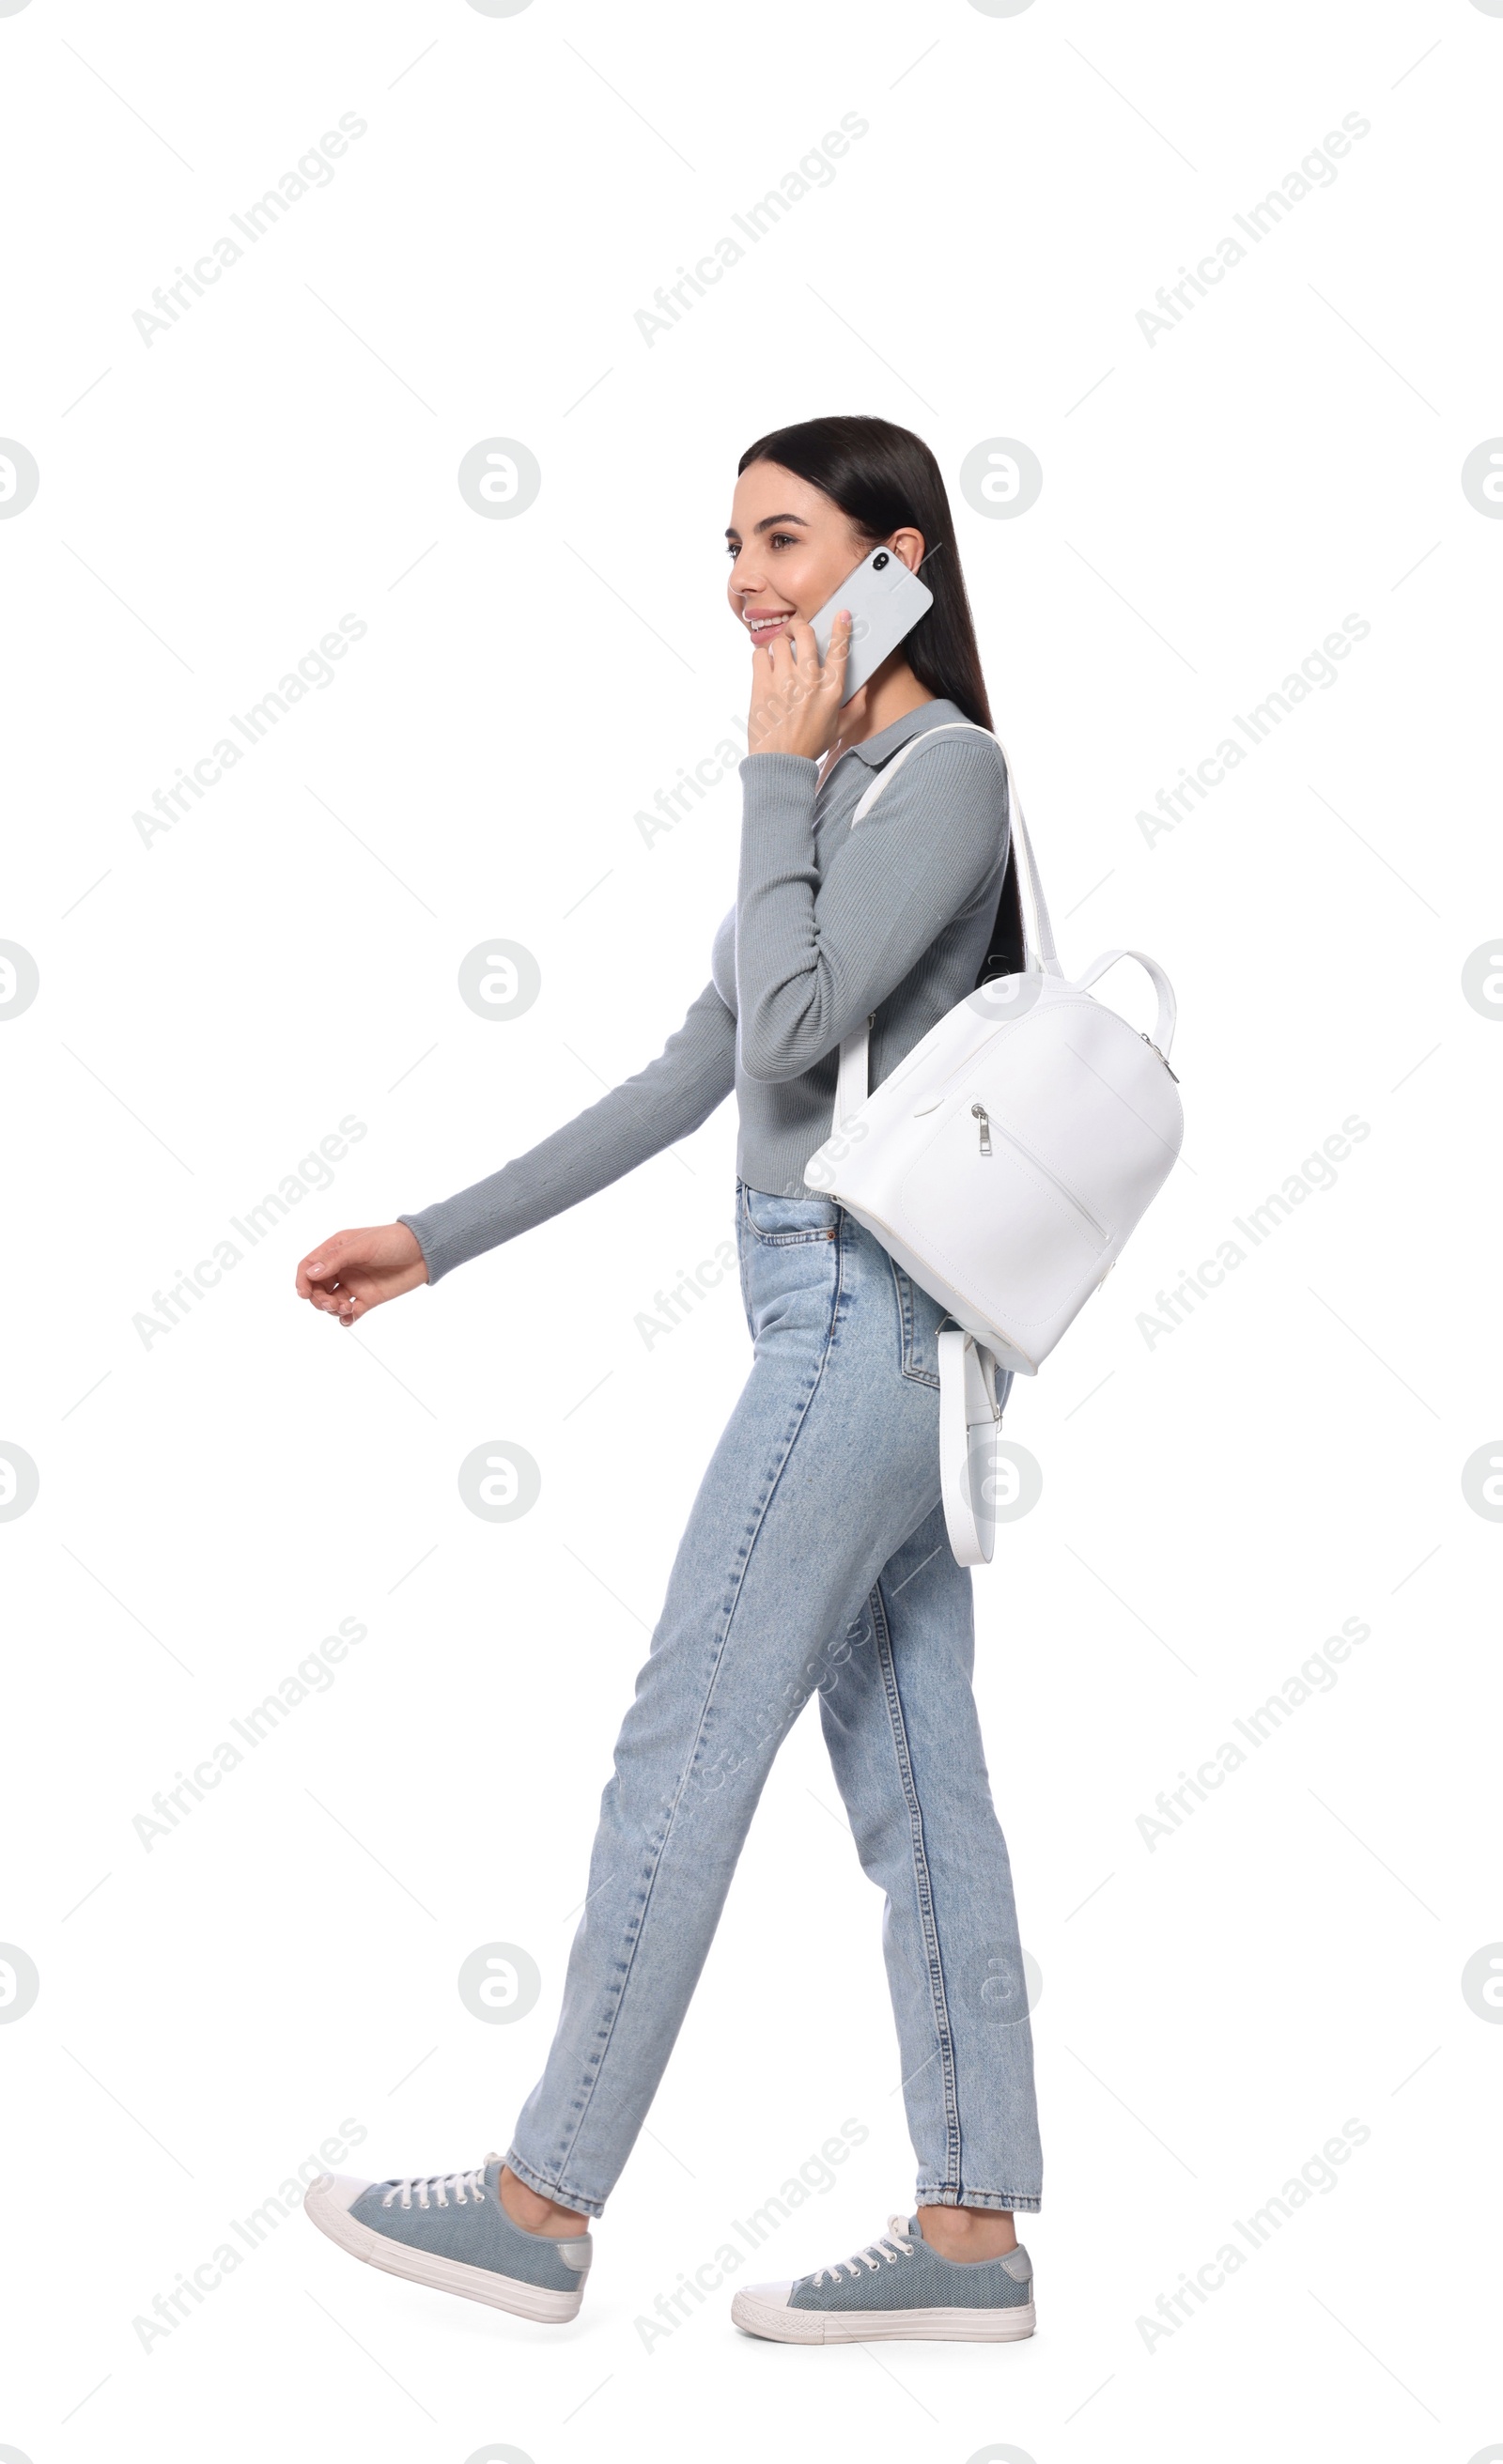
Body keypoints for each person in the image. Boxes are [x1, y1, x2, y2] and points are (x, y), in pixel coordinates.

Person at [295, 415, 1042, 2346]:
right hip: (856, 1336)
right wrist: (433, 1234)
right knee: (913, 1777)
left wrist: (764, 778)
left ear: (898, 561)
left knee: (681, 1738)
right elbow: (694, 1069)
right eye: (728, 543)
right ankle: (970, 2238)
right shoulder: (844, 786)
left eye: (782, 538)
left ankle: (542, 2202)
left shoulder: (937, 777)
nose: (741, 578)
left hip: (855, 1322)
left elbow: (798, 1014)